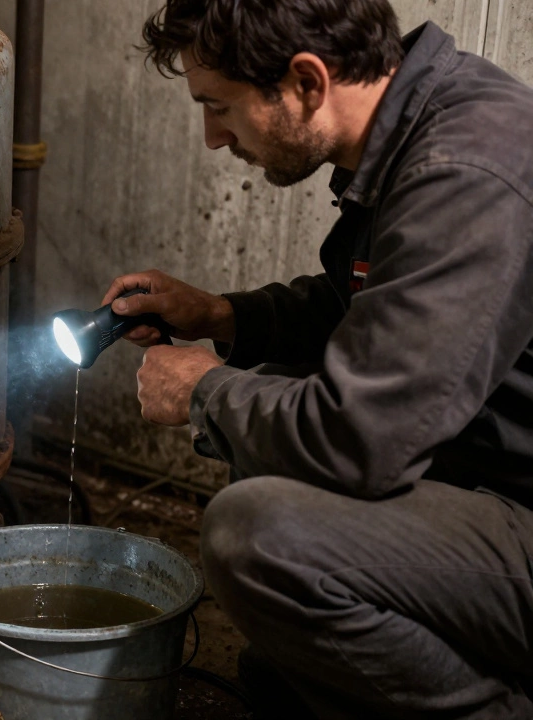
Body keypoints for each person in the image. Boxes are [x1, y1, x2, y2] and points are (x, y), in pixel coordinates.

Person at [100, 0, 533, 716]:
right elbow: (371, 319)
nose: (212, 138)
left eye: (219, 107)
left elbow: (361, 440)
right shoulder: (422, 123)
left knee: (261, 537)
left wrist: (205, 392)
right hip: (491, 475)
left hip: (518, 508)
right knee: (268, 407)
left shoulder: (465, 171)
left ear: (305, 82)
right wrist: (222, 315)